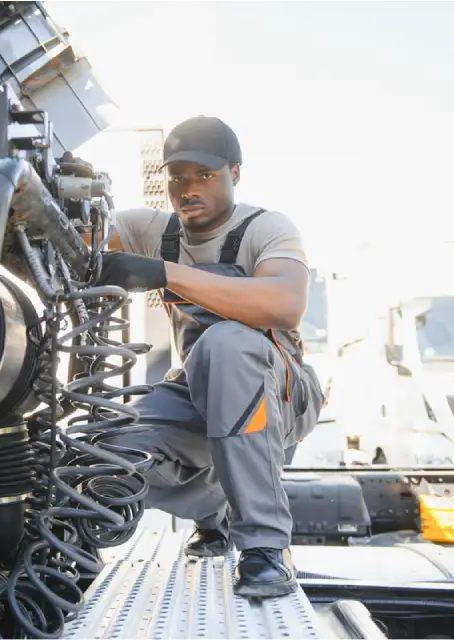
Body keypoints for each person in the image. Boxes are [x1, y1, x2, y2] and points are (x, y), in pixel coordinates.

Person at [91, 115, 325, 599]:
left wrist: (167, 273)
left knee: (227, 344)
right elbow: (73, 241)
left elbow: (285, 304)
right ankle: (211, 513)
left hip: (280, 390)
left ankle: (265, 549)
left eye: (205, 175)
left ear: (234, 173)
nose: (189, 188)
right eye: (178, 177)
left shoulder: (267, 227)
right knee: (105, 450)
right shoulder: (150, 228)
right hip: (197, 387)